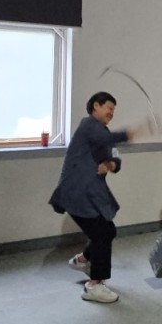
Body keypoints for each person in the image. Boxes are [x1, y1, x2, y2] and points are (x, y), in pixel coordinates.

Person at [48, 92, 143, 304]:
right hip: (76, 193)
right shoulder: (88, 126)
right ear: (95, 107)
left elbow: (115, 158)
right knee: (101, 234)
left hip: (91, 194)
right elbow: (106, 139)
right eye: (108, 107)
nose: (111, 112)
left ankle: (83, 260)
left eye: (113, 110)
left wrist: (110, 164)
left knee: (108, 231)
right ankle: (94, 285)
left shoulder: (102, 133)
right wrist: (127, 134)